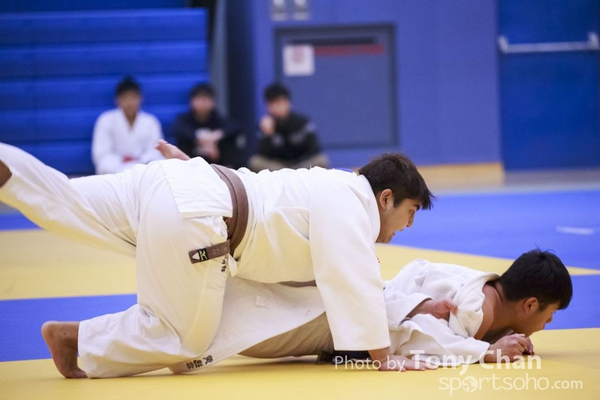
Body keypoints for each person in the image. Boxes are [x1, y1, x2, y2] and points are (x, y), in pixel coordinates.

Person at [0, 140, 433, 378]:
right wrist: (383, 357)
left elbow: (260, 196)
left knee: (66, 198)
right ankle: (76, 338)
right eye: (410, 212)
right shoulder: (352, 206)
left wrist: (192, 170)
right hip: (201, 217)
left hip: (178, 180)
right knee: (184, 342)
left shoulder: (326, 183)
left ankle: (8, 164)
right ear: (386, 198)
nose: (408, 225)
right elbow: (352, 280)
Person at [169, 249, 572, 374]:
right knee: (235, 326)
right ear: (529, 304)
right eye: (549, 314)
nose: (548, 324)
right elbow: (421, 338)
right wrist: (485, 352)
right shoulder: (475, 310)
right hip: (343, 319)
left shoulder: (480, 288)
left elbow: (419, 273)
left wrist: (495, 340)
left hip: (356, 311)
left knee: (253, 306)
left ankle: (183, 304)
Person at [249, 83, 329, 172]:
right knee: (255, 162)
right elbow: (262, 154)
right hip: (278, 167)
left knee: (321, 160)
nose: (279, 107)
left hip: (300, 165)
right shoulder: (265, 125)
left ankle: (291, 174)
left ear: (288, 103)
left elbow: (314, 149)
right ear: (268, 106)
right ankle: (288, 174)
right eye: (274, 104)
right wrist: (269, 136)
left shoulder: (302, 122)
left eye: (281, 102)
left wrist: (297, 166)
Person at [91, 76, 163, 174]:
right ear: (117, 100)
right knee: (104, 165)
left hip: (142, 170)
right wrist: (124, 165)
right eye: (125, 98)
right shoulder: (106, 120)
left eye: (133, 97)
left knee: (157, 164)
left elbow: (155, 152)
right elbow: (101, 154)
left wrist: (138, 163)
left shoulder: (151, 122)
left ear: (140, 99)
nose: (129, 103)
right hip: (115, 171)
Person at [172, 83, 245, 168]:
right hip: (192, 160)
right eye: (199, 99)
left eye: (206, 99)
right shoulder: (184, 120)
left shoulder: (218, 119)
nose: (202, 103)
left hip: (217, 161)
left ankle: (229, 170)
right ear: (191, 101)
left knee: (230, 142)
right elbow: (180, 130)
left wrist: (216, 136)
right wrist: (202, 140)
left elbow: (235, 127)